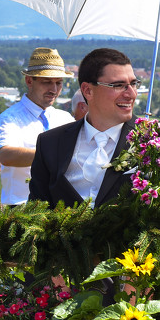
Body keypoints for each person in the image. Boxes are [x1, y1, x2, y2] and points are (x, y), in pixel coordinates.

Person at [28, 47, 138, 208]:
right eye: (119, 85)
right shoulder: (50, 143)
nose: (132, 94)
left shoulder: (154, 141)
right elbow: (35, 213)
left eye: (133, 84)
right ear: (87, 90)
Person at [0, 47, 75, 204]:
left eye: (59, 83)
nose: (54, 90)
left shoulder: (64, 118)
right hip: (22, 208)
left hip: (60, 209)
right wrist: (51, 156)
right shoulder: (10, 118)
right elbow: (6, 155)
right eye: (47, 82)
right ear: (29, 81)